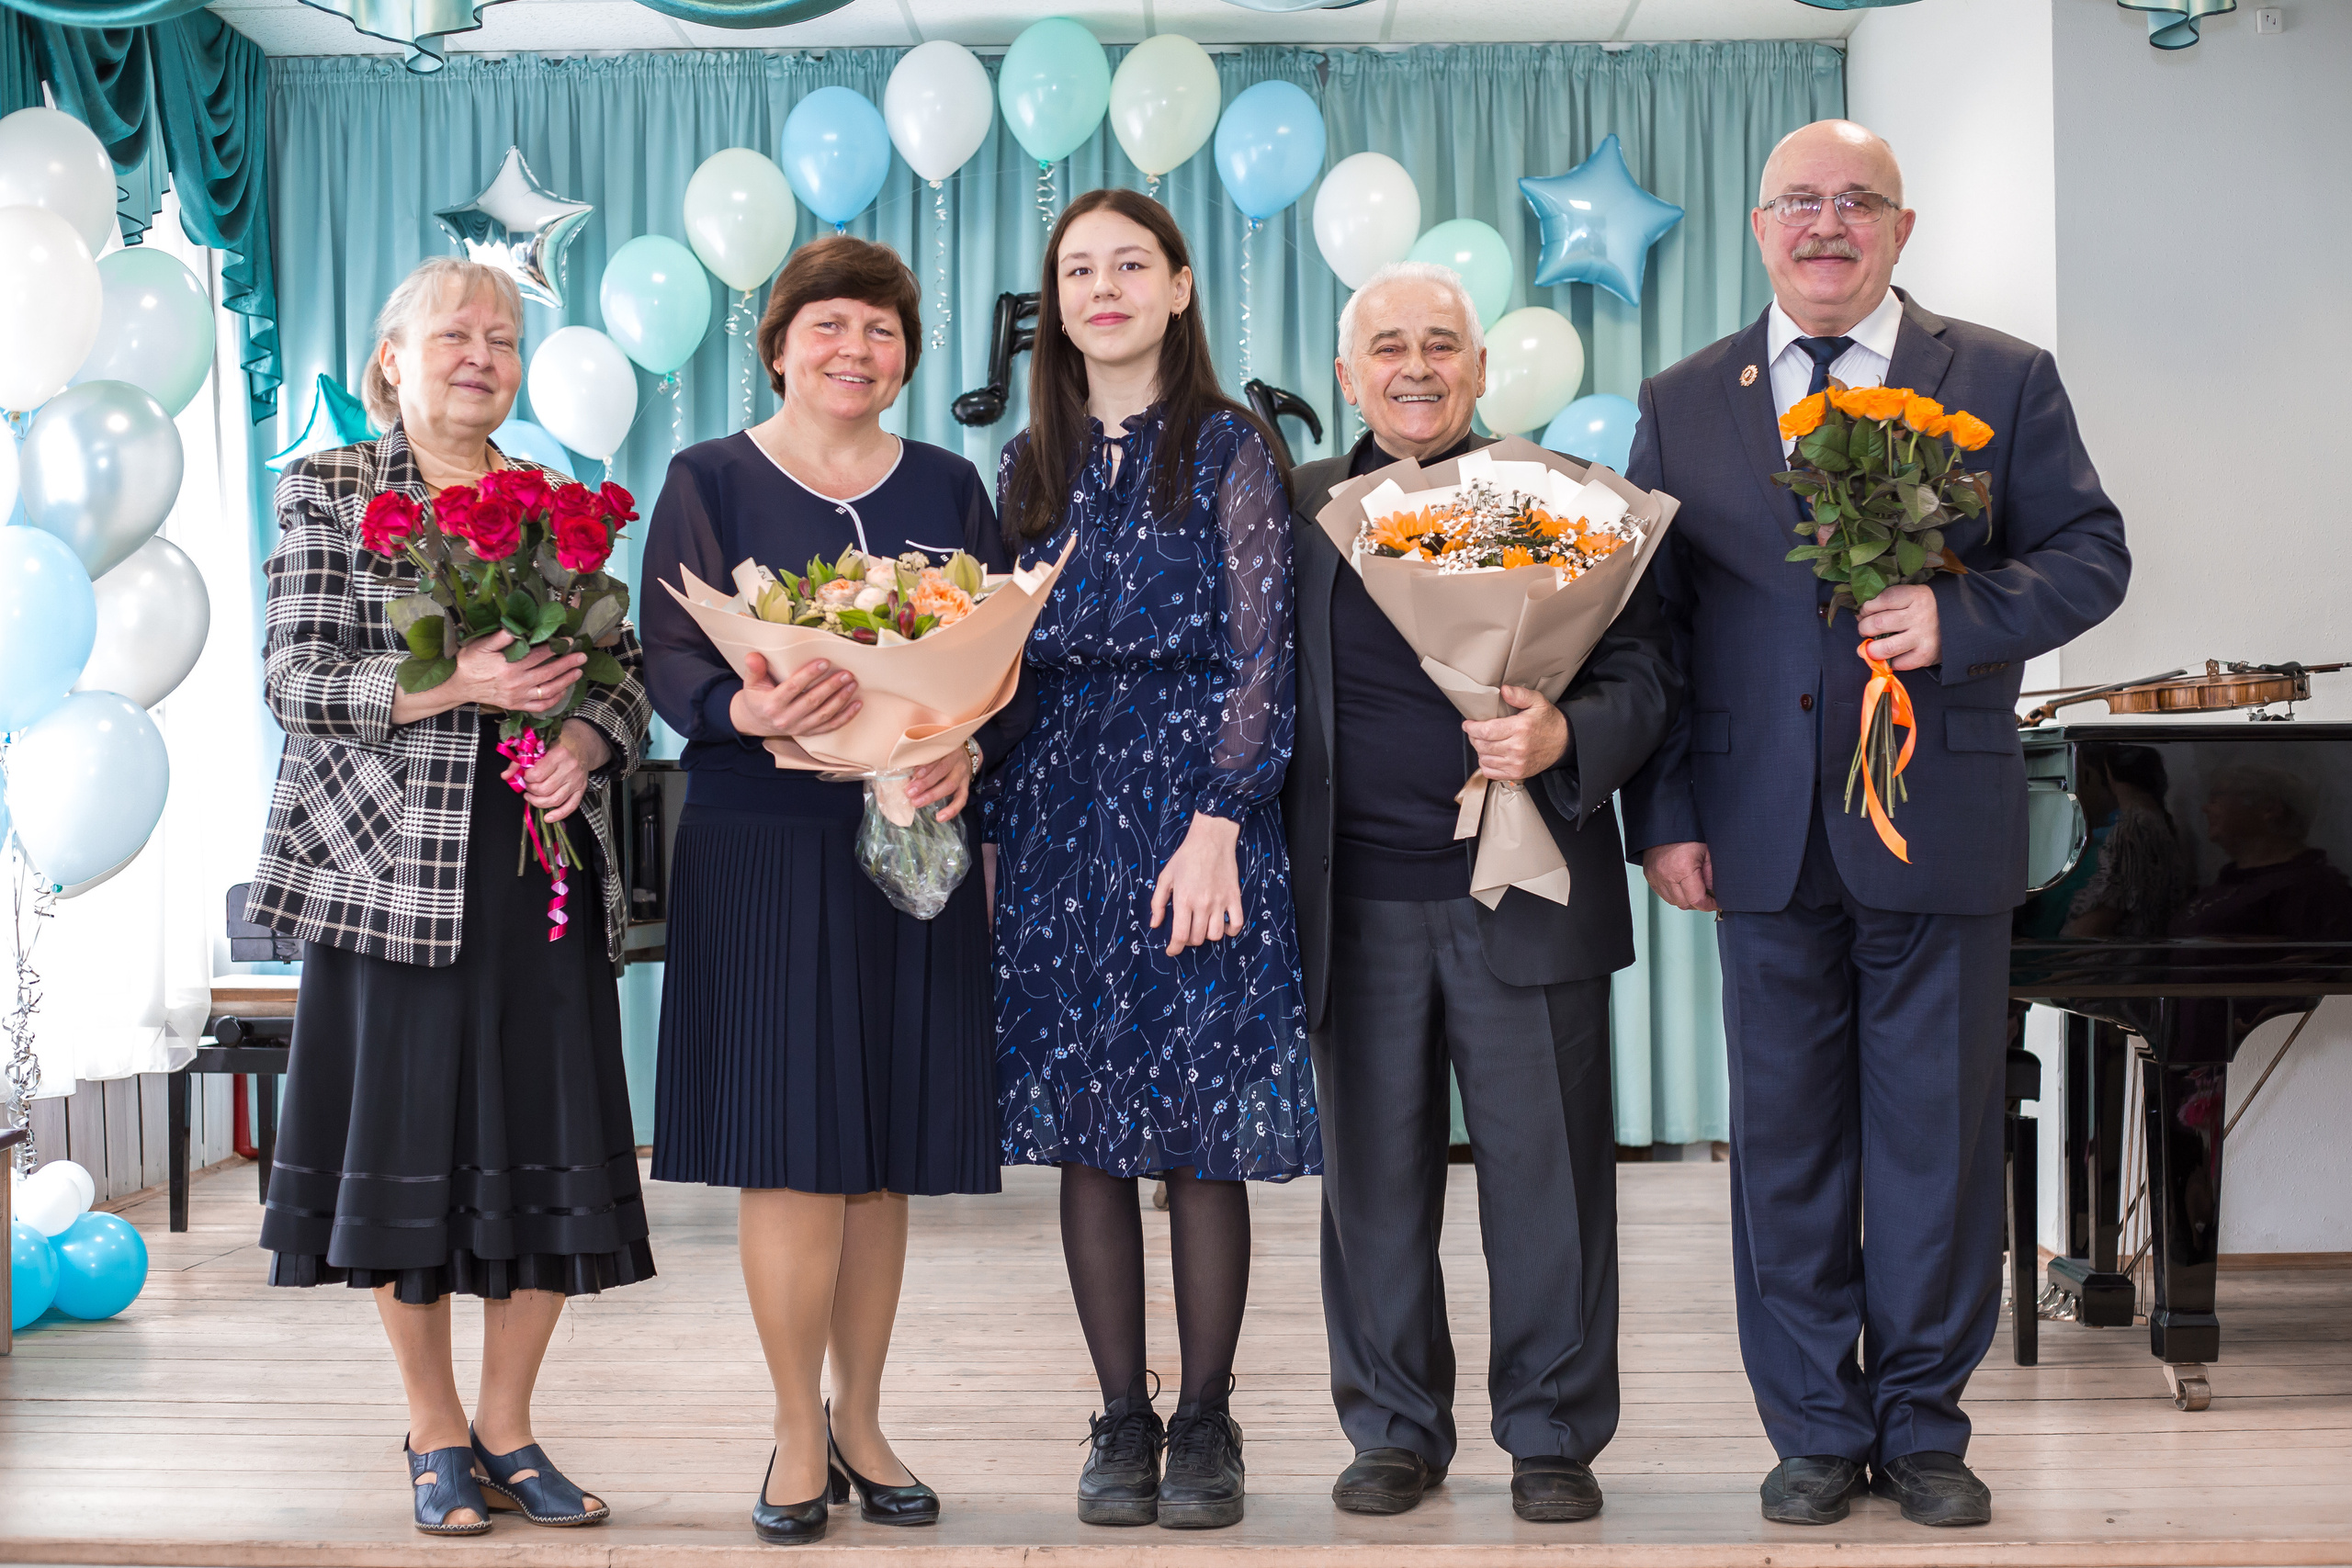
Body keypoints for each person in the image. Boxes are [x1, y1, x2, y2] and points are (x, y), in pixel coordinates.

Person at [1623, 119, 2131, 1529]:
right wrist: (1663, 812)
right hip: (1756, 830)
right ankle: (1811, 1430)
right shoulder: (1681, 398)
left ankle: (1924, 1426)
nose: (1827, 224)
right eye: (1800, 201)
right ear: (1758, 225)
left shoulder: (2004, 379)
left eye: (1858, 203)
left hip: (1940, 822)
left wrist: (1960, 615)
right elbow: (1656, 627)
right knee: (1785, 1149)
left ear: (1902, 229)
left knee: (1936, 1145)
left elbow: (2092, 551)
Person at [247, 255, 653, 1536]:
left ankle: (510, 1430)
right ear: (393, 360)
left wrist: (583, 747)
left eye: (504, 337)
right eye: (455, 334)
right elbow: (296, 681)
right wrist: (462, 682)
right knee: (408, 1150)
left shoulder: (553, 508)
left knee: (544, 1147)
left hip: (536, 871)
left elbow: (623, 682)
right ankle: (431, 1431)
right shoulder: (328, 488)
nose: (481, 353)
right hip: (386, 878)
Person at [1280, 260, 1679, 1525]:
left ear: (1481, 368)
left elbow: (1651, 674)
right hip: (1354, 905)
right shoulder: (1296, 509)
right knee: (1373, 1188)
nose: (1415, 365)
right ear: (1350, 375)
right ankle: (1394, 1428)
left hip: (1529, 890)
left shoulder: (1550, 500)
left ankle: (1553, 1432)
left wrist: (1567, 739)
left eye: (1441, 343)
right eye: (1388, 345)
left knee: (1550, 1179)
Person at [640, 235, 1021, 1547]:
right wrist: (747, 705)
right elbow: (669, 660)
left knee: (884, 1157)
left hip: (908, 839)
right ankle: (797, 1425)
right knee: (794, 1155)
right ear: (779, 342)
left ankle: (866, 1418)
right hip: (763, 838)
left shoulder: (953, 485)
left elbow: (993, 663)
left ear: (905, 355)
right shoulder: (710, 480)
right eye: (831, 326)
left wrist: (965, 743)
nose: (855, 350)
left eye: (881, 330)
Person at [990, 186, 1317, 1532]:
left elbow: (1264, 654)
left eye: (1132, 264)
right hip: (1059, 808)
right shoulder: (1029, 462)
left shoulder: (1234, 450)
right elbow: (992, 655)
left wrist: (1223, 816)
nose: (1104, 286)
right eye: (1079, 268)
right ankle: (1120, 1415)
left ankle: (1207, 1420)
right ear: (1055, 302)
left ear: (1181, 288)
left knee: (1198, 1136)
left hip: (1198, 817)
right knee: (1086, 1132)